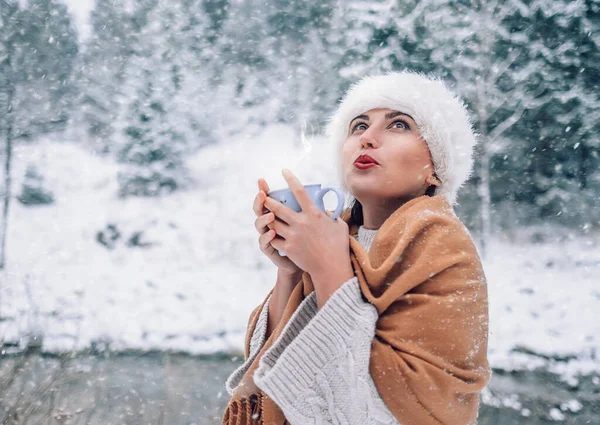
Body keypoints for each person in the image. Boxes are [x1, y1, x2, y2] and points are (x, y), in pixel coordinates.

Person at [222, 71, 491, 425]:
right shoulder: (340, 234)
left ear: (435, 169)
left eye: (398, 125)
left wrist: (327, 268)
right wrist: (291, 270)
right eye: (358, 126)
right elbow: (269, 373)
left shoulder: (443, 248)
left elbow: (379, 409)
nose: (368, 138)